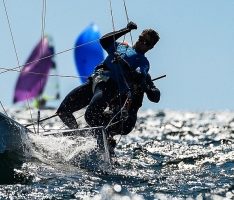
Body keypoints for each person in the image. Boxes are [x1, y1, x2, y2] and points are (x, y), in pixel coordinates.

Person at [56, 21, 161, 152]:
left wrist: (124, 64)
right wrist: (126, 29)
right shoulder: (122, 47)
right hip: (94, 82)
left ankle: (106, 143)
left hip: (109, 86)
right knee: (63, 111)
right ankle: (78, 137)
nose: (141, 42)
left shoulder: (142, 61)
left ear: (150, 47)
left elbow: (138, 76)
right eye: (141, 38)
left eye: (146, 42)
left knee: (91, 115)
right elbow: (104, 41)